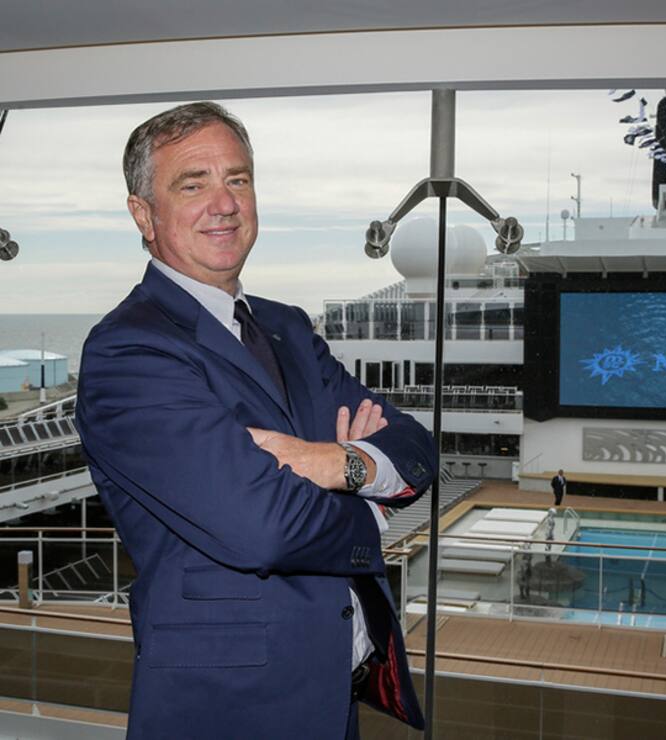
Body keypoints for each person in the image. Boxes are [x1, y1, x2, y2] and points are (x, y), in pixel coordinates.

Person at [75, 102, 436, 740]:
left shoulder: (286, 326)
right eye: (194, 185)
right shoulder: (129, 351)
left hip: (335, 695)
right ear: (144, 215)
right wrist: (373, 507)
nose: (225, 203)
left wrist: (335, 462)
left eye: (237, 179)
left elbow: (415, 447)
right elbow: (264, 528)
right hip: (230, 708)